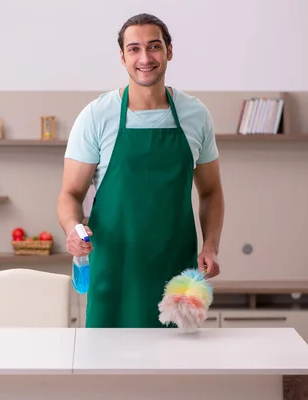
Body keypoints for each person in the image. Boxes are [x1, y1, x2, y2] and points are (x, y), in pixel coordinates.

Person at [56, 13, 225, 328]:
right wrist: (71, 229)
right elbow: (70, 193)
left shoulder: (196, 115)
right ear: (122, 57)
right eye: (134, 49)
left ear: (169, 51)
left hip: (176, 276)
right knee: (108, 369)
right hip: (114, 271)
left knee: (175, 370)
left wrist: (211, 246)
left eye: (154, 46)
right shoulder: (96, 116)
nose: (145, 57)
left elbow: (211, 191)